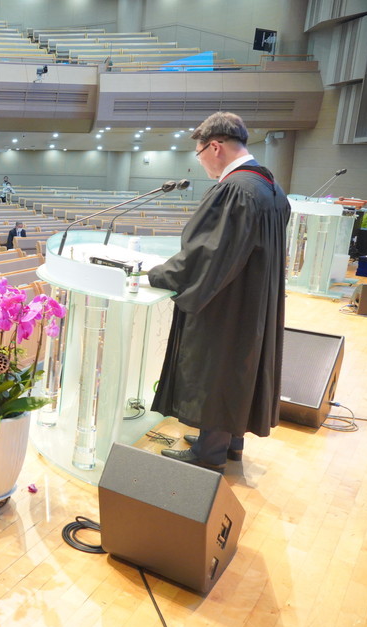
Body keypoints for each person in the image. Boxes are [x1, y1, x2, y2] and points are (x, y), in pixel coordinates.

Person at [149, 112, 291, 472]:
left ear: (214, 147)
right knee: (239, 365)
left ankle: (209, 455)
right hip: (253, 297)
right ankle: (229, 441)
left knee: (219, 364)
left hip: (229, 300)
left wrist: (157, 274)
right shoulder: (271, 188)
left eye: (199, 153)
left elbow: (206, 253)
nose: (201, 163)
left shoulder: (235, 189)